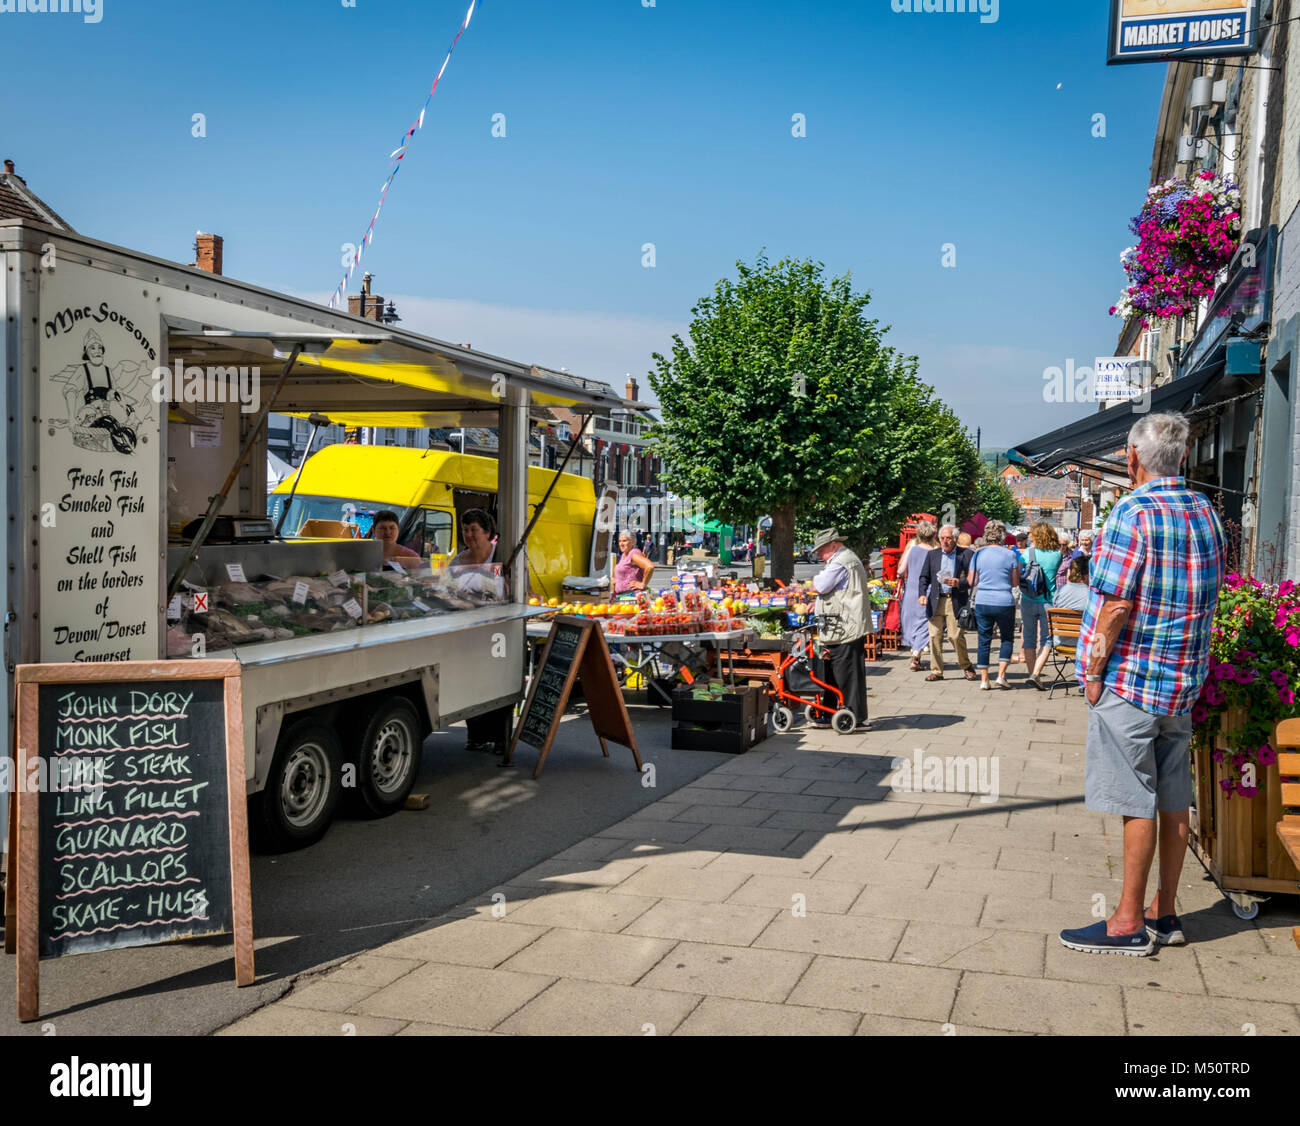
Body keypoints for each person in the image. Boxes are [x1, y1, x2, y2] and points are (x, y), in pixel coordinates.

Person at [1059, 412, 1226, 956]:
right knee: (1174, 796)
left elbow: (1114, 605)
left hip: (1133, 680)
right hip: (1183, 681)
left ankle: (1126, 922)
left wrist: (1091, 671)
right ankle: (1166, 912)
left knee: (1137, 798)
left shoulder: (1131, 513)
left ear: (1132, 459)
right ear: (1181, 457)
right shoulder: (1207, 512)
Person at [455, 508, 513, 754]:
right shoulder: (457, 560)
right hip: (467, 632)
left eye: (474, 530)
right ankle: (476, 735)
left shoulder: (498, 558)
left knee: (498, 682)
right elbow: (446, 590)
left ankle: (501, 738)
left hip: (496, 631)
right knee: (471, 682)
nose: (469, 534)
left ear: (488, 533)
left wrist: (471, 597)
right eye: (466, 529)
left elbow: (505, 592)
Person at [809, 527, 872, 730]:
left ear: (834, 545)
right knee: (836, 670)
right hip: (841, 626)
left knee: (849, 673)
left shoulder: (841, 561)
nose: (819, 554)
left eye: (821, 549)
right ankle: (831, 712)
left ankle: (856, 717)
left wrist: (813, 588)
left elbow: (821, 585)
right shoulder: (844, 558)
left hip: (846, 626)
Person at [917, 525, 976, 681]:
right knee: (934, 636)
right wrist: (922, 594)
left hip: (954, 600)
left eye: (948, 538)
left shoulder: (966, 554)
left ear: (955, 538)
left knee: (955, 636)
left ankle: (966, 665)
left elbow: (974, 579)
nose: (945, 541)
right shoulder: (932, 555)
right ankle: (936, 671)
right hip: (935, 599)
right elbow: (924, 577)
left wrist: (959, 583)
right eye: (942, 538)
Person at [967, 519, 1020, 690]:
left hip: (983, 600)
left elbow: (971, 580)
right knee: (1006, 638)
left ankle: (984, 679)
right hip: (1004, 601)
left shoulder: (978, 554)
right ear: (1003, 535)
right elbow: (1014, 582)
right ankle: (1001, 676)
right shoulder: (1010, 555)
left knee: (984, 640)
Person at [1020, 521, 1063, 690]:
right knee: (1047, 639)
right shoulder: (1057, 554)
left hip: (1028, 599)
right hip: (1048, 601)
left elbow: (1020, 571)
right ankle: (1036, 673)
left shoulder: (1027, 553)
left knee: (1029, 638)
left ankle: (1033, 674)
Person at [897, 519, 938, 671]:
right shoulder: (934, 553)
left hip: (911, 590)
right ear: (933, 536)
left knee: (911, 621)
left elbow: (900, 571)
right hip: (926, 591)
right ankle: (915, 655)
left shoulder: (912, 549)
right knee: (924, 623)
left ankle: (915, 653)